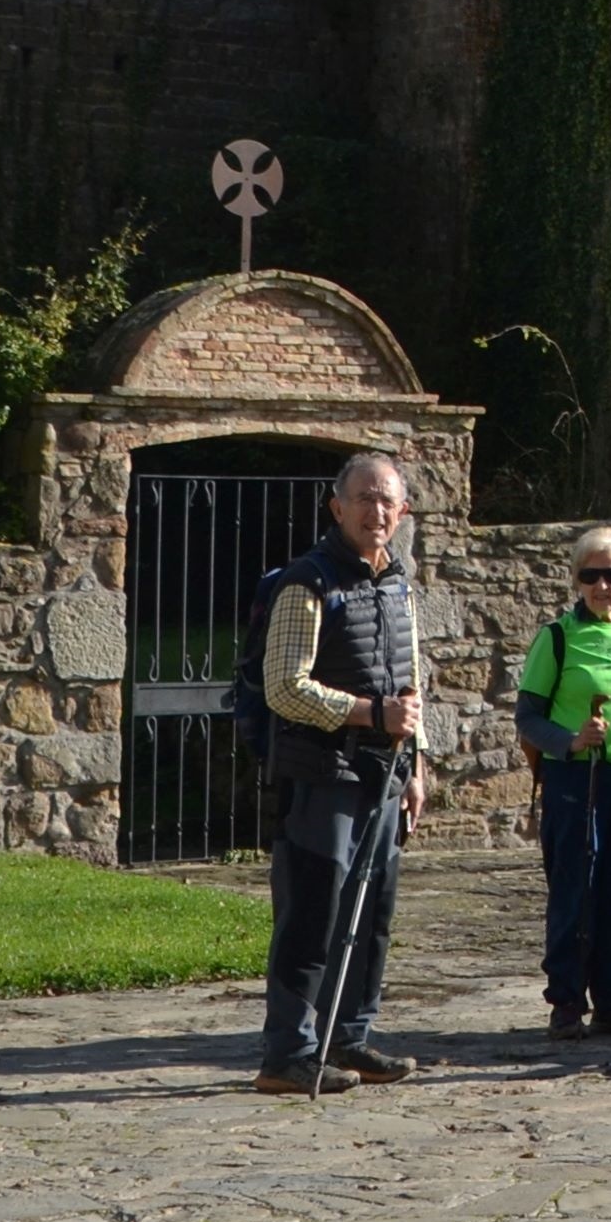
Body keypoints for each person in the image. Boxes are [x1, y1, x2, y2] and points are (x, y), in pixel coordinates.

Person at [254, 450, 427, 1096]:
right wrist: (366, 713)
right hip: (322, 775)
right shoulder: (308, 582)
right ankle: (288, 1053)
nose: (375, 511)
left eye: (387, 501)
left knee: (371, 911)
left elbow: (413, 688)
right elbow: (283, 687)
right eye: (364, 498)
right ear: (337, 507)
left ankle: (348, 1037)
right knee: (312, 913)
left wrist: (416, 765)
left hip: (383, 778)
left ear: (402, 511)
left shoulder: (401, 585)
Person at [514, 523, 611, 1039]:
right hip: (576, 778)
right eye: (592, 574)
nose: (603, 585)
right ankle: (566, 1002)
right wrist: (572, 739)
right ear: (576, 580)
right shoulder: (557, 637)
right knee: (574, 887)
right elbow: (528, 717)